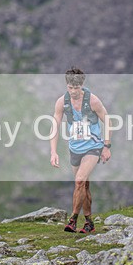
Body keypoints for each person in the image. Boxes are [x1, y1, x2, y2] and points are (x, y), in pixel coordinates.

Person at [50, 67, 111, 233]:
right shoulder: (62, 102)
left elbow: (108, 121)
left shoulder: (93, 101)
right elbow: (55, 126)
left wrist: (106, 146)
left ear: (82, 85)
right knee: (83, 186)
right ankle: (89, 222)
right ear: (67, 85)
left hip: (93, 146)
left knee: (79, 181)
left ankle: (73, 220)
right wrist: (53, 152)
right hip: (75, 147)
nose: (73, 91)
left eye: (76, 88)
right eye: (70, 88)